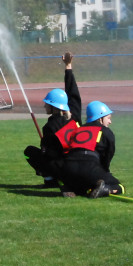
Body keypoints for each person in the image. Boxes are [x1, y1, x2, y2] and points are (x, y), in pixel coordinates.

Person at [24, 52, 80, 187]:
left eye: (47, 103)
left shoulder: (50, 127)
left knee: (30, 152)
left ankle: (50, 180)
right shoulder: (75, 115)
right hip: (80, 165)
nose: (44, 105)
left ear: (53, 106)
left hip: (64, 168)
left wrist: (43, 145)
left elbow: (48, 154)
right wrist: (68, 66)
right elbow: (73, 93)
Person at [59, 100, 125, 199]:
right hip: (89, 167)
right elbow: (108, 156)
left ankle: (71, 187)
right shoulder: (106, 131)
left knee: (83, 183)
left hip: (67, 169)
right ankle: (104, 189)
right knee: (120, 187)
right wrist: (104, 172)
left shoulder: (77, 129)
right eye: (108, 118)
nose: (110, 122)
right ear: (100, 118)